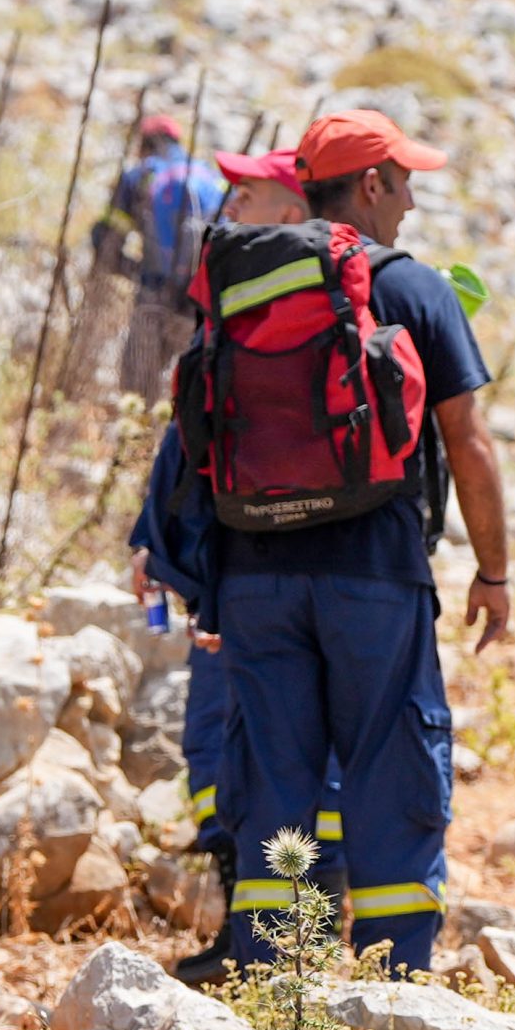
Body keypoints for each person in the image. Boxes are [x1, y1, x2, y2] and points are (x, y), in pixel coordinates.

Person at [211, 109, 510, 978]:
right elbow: (469, 441)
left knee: (271, 778)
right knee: (391, 772)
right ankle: (395, 991)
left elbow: (199, 426)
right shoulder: (414, 287)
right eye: (406, 180)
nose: (413, 200)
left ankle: (267, 990)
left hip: (257, 570)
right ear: (371, 184)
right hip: (373, 573)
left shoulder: (246, 279)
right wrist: (494, 570)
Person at [127, 140, 348, 985]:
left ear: (292, 214)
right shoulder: (231, 314)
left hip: (260, 588)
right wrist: (156, 541)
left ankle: (297, 950)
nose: (226, 209)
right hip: (221, 585)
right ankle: (245, 938)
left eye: (246, 196)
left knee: (278, 759)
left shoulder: (289, 330)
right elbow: (188, 449)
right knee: (216, 758)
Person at [105, 114, 226, 395]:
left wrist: (135, 271)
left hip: (153, 293)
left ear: (144, 144)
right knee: (187, 391)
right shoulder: (211, 177)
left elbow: (107, 242)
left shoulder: (141, 174)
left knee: (136, 388)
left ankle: (135, 433)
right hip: (200, 301)